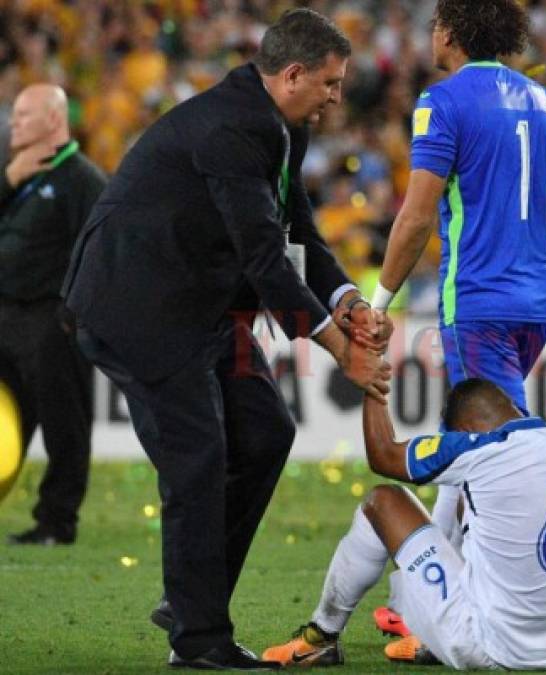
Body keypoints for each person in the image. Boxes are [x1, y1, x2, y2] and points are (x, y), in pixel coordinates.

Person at [63, 9, 391, 671]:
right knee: (199, 458)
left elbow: (298, 232)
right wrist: (340, 350)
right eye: (328, 83)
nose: (336, 95)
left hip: (200, 308)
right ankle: (199, 640)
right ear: (292, 74)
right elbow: (266, 259)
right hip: (138, 309)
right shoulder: (230, 128)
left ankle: (191, 590)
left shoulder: (277, 124)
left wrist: (346, 298)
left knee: (265, 432)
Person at [366, 0, 546, 611]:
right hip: (535, 304)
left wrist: (380, 299)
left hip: (477, 301)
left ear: (449, 32)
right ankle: (410, 604)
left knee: (502, 453)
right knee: (469, 440)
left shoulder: (442, 103)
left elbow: (419, 213)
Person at [261, 295, 546, 671]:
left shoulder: (477, 451)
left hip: (484, 645)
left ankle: (321, 636)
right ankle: (428, 627)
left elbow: (383, 456)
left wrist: (371, 379)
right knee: (466, 499)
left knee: (384, 501)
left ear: (464, 430)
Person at [0, 84, 105, 545]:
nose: (13, 122)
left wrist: (71, 315)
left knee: (65, 422)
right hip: (6, 318)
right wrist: (7, 180)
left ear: (54, 118)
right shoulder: (15, 172)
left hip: (51, 321)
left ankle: (57, 521)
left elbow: (101, 253)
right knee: (5, 421)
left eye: (24, 114)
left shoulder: (83, 179)